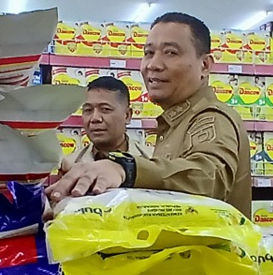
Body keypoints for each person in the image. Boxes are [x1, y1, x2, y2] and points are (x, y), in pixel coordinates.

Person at [47, 12, 251, 216]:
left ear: (204, 65)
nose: (153, 64)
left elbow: (209, 177)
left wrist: (126, 169)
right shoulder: (175, 124)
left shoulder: (212, 117)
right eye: (149, 53)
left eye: (171, 53)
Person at [60, 76, 150, 174]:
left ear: (127, 115)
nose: (95, 118)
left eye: (105, 109)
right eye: (88, 110)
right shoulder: (69, 166)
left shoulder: (152, 162)